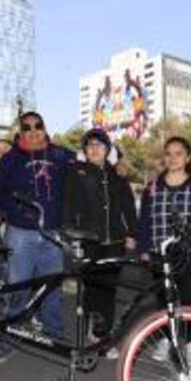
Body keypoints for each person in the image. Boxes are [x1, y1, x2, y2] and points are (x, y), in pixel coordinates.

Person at [0, 111, 74, 363]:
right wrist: (16, 210)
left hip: (52, 234)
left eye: (38, 125)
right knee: (18, 286)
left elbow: (90, 162)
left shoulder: (60, 155)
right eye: (27, 127)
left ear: (45, 127)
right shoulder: (11, 159)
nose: (33, 130)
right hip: (20, 234)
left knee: (52, 285)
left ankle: (54, 333)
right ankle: (10, 335)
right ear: (21, 131)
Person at [136, 136, 191, 368]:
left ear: (187, 157)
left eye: (178, 153)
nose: (173, 158)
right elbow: (144, 221)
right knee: (163, 298)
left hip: (190, 252)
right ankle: (166, 339)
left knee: (189, 298)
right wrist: (143, 248)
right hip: (159, 253)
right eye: (168, 153)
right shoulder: (152, 188)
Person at [61, 128, 137, 358]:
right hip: (88, 240)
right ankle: (86, 336)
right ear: (85, 150)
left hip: (114, 240)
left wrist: (132, 233)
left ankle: (103, 336)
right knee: (90, 288)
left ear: (108, 149)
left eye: (100, 145)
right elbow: (68, 205)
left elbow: (128, 206)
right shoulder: (76, 172)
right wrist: (69, 233)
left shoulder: (117, 175)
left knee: (109, 289)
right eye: (90, 145)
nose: (95, 149)